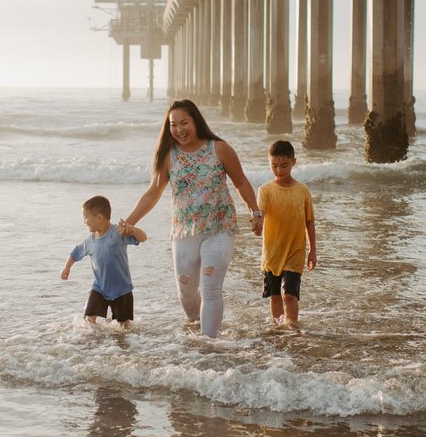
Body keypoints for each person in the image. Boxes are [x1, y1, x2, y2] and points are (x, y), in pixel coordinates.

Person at [118, 99, 262, 338]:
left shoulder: (219, 148)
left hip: (220, 228)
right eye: (173, 125)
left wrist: (255, 212)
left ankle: (208, 342)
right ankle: (198, 326)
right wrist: (130, 222)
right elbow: (154, 192)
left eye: (184, 123)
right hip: (184, 230)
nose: (179, 130)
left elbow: (240, 181)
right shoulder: (169, 156)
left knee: (211, 288)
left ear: (196, 121)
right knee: (185, 290)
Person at [257, 140, 317, 327]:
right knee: (275, 297)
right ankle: (278, 328)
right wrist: (257, 223)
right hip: (272, 253)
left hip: (295, 251)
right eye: (274, 166)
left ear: (294, 162)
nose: (279, 170)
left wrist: (313, 250)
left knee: (289, 295)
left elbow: (309, 221)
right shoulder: (265, 190)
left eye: (284, 166)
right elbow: (260, 214)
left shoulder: (302, 191)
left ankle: (291, 328)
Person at [61, 195, 146, 327]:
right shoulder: (90, 241)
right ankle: (96, 344)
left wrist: (133, 229)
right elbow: (75, 253)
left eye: (86, 217)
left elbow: (143, 238)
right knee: (89, 320)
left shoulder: (118, 234)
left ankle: (124, 346)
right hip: (99, 287)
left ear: (99, 218)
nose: (84, 221)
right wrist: (67, 268)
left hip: (121, 289)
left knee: (124, 326)